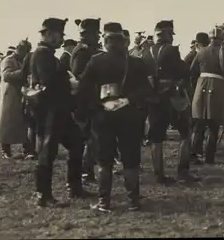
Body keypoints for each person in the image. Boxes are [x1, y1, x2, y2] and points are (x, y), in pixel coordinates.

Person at [75, 22, 155, 212]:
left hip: (103, 116)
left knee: (104, 161)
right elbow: (146, 89)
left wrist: (98, 105)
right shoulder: (135, 62)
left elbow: (83, 90)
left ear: (106, 39)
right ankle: (133, 201)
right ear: (123, 40)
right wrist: (127, 100)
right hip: (130, 116)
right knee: (130, 160)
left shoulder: (96, 61)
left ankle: (104, 202)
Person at [29, 17, 91, 207]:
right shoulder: (42, 54)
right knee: (48, 152)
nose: (61, 39)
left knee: (76, 142)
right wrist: (68, 79)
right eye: (58, 35)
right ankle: (43, 195)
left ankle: (74, 187)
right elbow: (49, 81)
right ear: (48, 34)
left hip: (59, 111)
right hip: (50, 111)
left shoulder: (47, 54)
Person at [144, 20, 198, 184]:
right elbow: (184, 71)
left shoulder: (146, 52)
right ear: (168, 34)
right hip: (172, 96)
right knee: (185, 134)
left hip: (153, 98)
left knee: (156, 138)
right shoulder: (171, 51)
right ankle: (183, 172)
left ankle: (158, 175)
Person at [0, 40, 32, 159]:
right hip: (9, 97)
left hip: (20, 95)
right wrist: (23, 72)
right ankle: (6, 152)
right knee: (6, 124)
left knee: (25, 123)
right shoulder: (8, 60)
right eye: (25, 50)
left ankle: (27, 150)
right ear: (19, 49)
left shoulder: (22, 59)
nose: (26, 53)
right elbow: (6, 76)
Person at [190, 27, 224, 164]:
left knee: (199, 124)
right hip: (217, 87)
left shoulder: (201, 51)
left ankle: (194, 154)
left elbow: (192, 70)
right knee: (214, 125)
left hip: (201, 85)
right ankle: (209, 157)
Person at [71, 18, 102, 184]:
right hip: (85, 101)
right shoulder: (83, 52)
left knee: (93, 138)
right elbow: (78, 77)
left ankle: (87, 171)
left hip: (90, 99)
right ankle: (85, 172)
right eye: (96, 34)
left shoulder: (88, 49)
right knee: (91, 138)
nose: (98, 37)